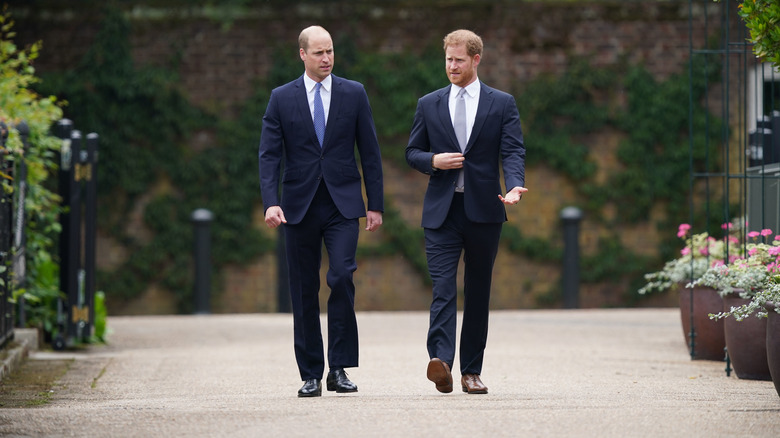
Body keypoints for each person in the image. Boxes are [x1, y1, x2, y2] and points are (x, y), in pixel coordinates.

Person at [258, 25, 384, 398]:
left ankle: (339, 368)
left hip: (343, 203)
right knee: (303, 289)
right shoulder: (281, 98)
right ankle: (311, 373)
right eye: (318, 53)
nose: (326, 58)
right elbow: (269, 155)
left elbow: (371, 151)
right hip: (297, 205)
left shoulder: (353, 93)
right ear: (302, 54)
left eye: (330, 52)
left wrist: (374, 204)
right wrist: (270, 201)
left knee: (342, 277)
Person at [405, 29, 527, 395]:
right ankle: (441, 363)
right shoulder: (429, 103)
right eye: (448, 60)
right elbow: (412, 152)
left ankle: (471, 371)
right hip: (441, 212)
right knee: (442, 288)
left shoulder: (501, 103)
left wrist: (515, 184)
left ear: (476, 60)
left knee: (477, 292)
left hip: (484, 211)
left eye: (459, 60)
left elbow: (512, 150)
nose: (452, 66)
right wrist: (434, 160)